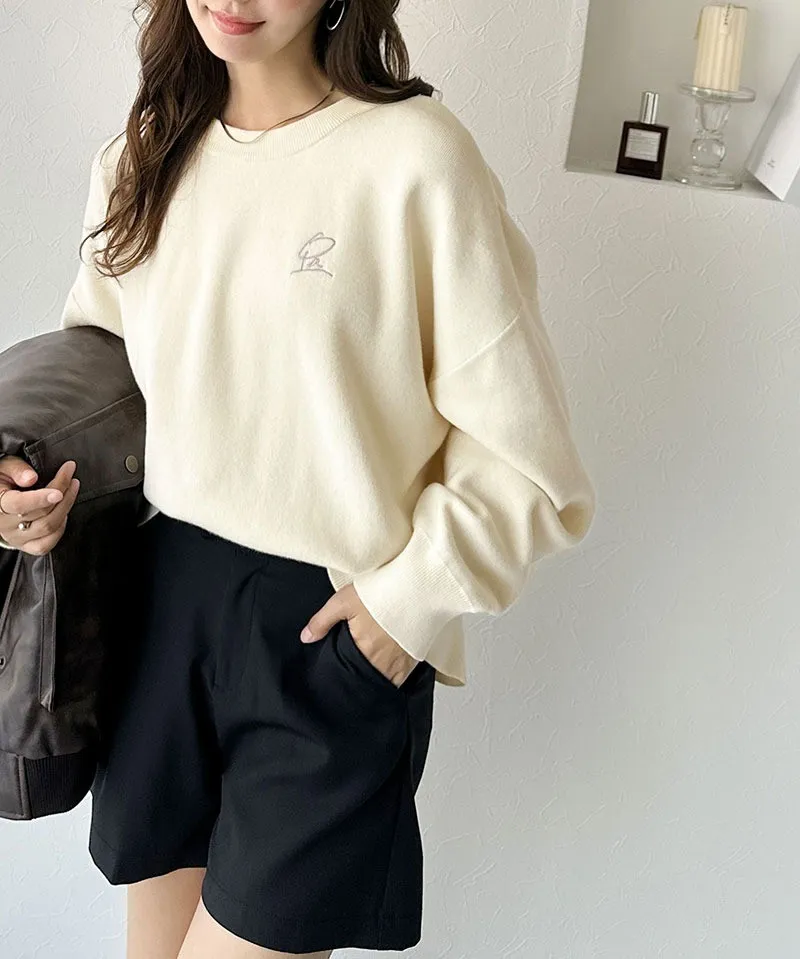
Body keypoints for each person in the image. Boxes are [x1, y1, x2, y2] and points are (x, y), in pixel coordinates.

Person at [0, 0, 597, 956]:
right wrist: (29, 497)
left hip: (326, 630)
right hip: (159, 611)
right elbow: (102, 383)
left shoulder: (415, 159)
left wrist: (408, 605)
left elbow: (527, 451)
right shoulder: (144, 154)